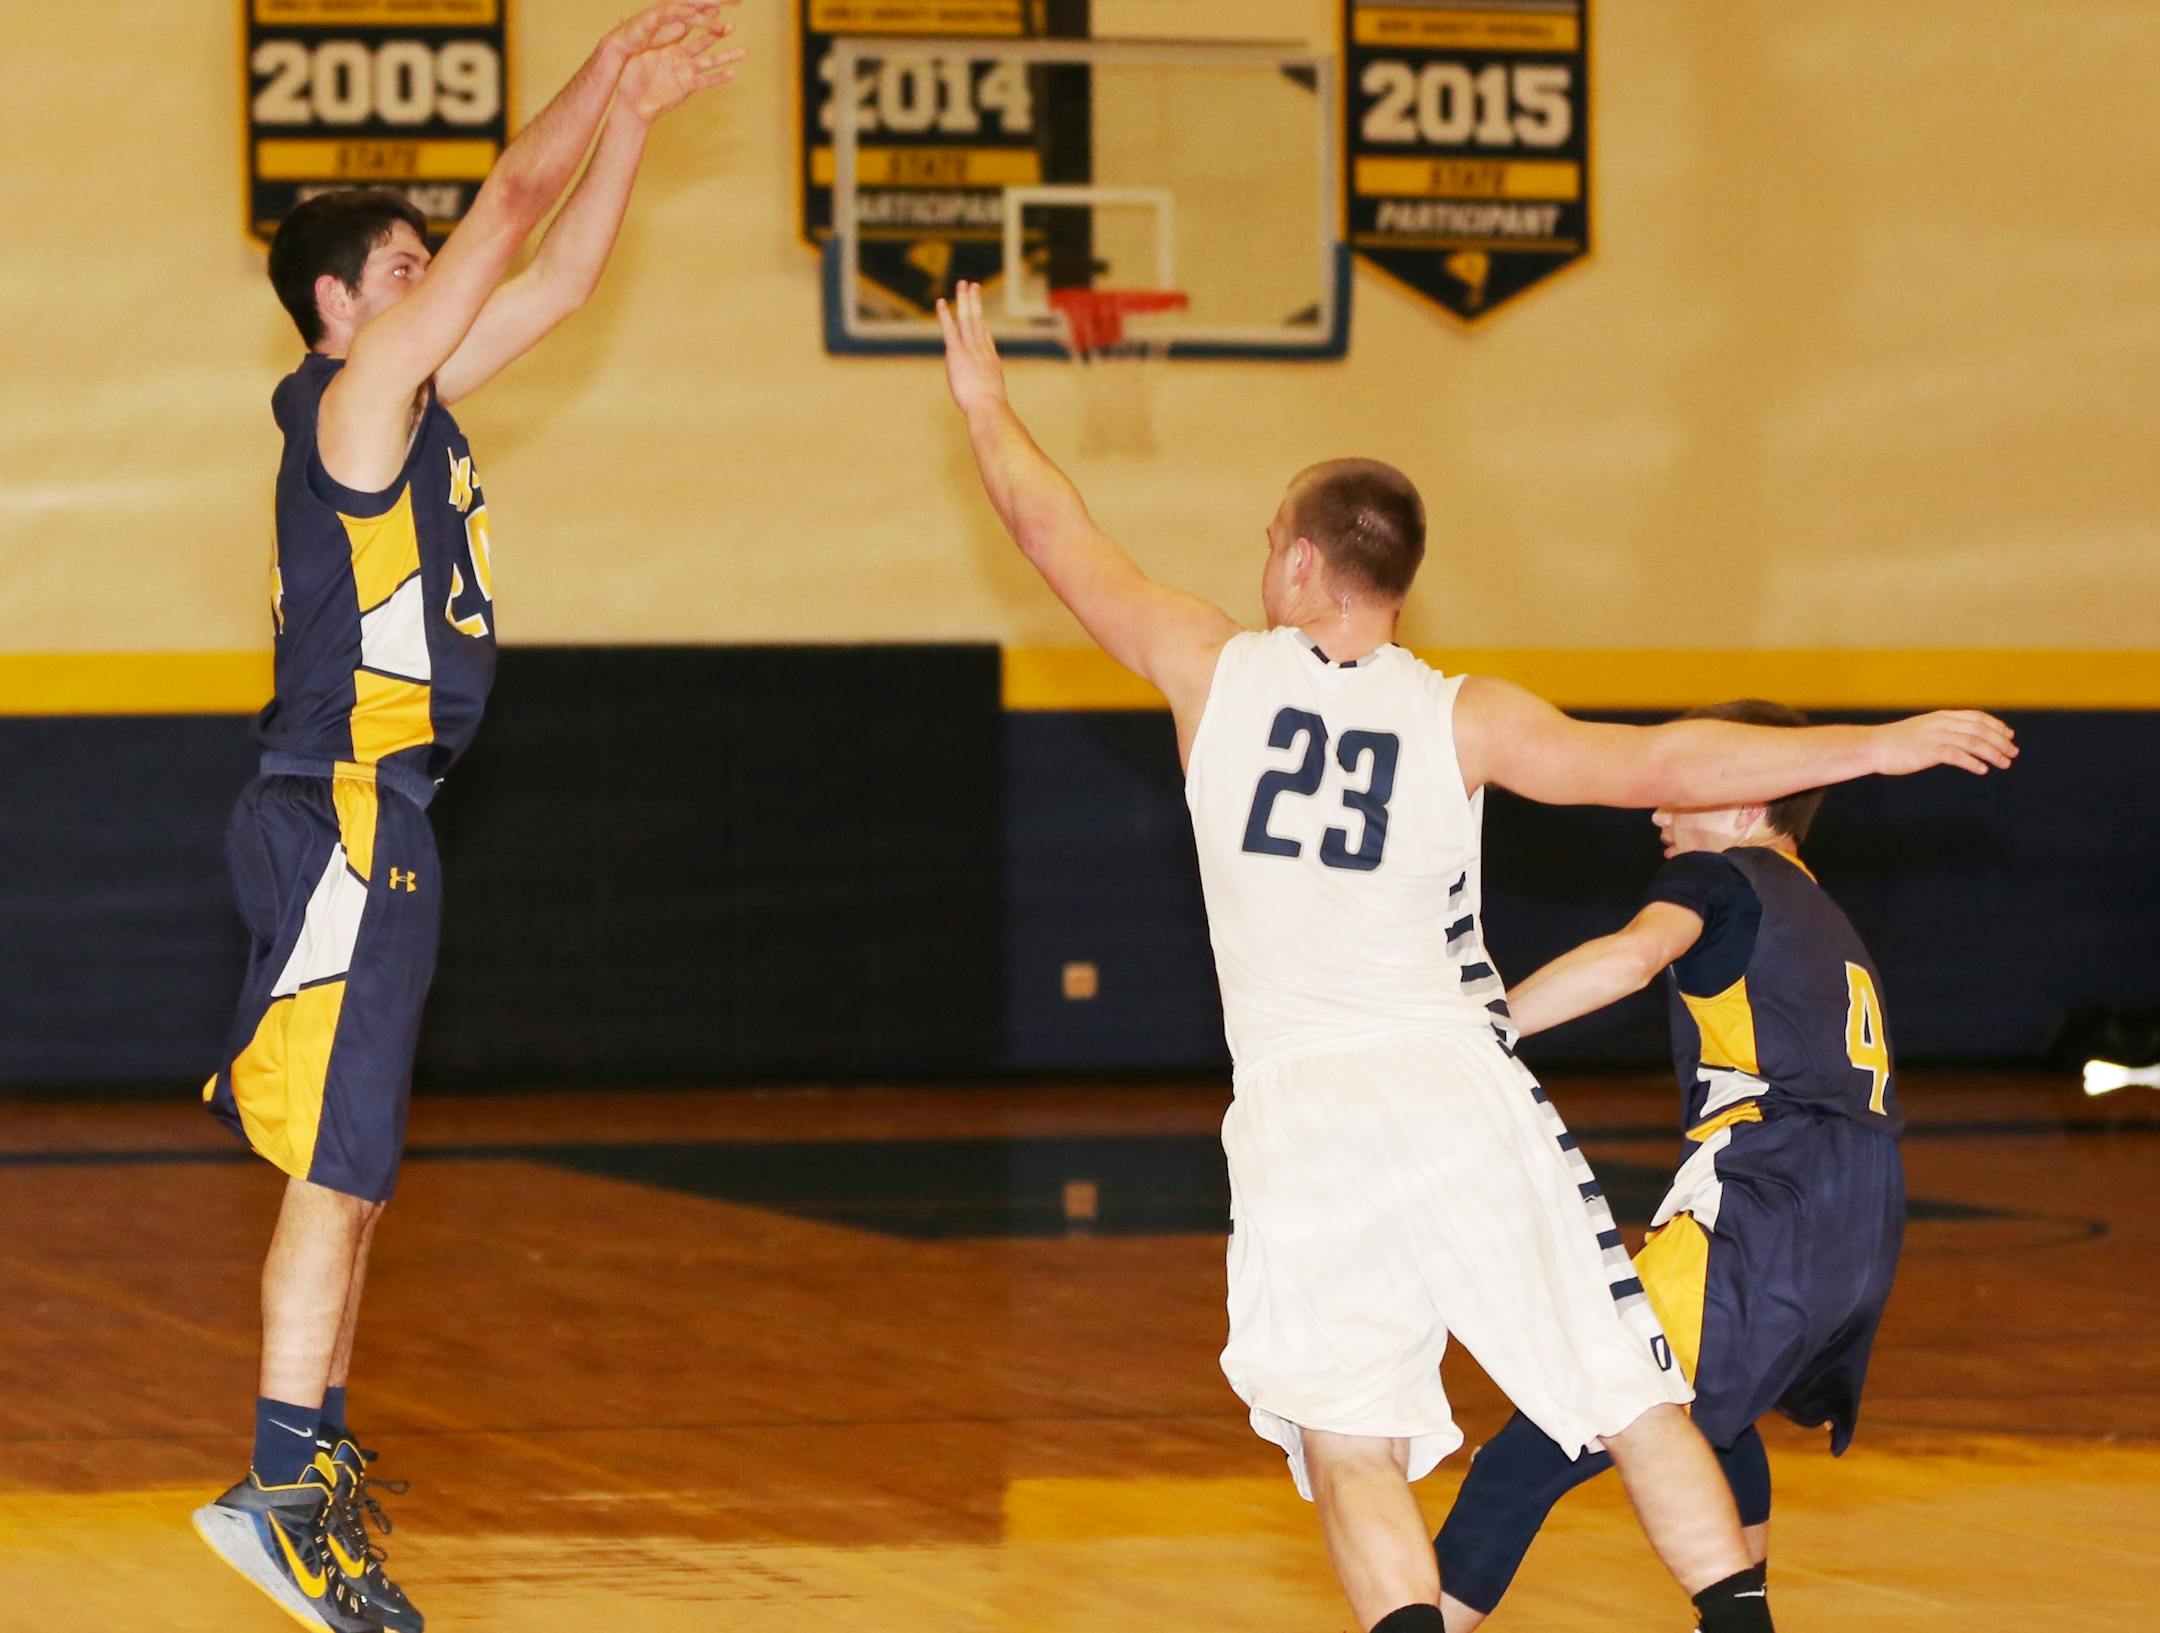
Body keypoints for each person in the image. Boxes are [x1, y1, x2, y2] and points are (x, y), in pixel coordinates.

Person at [934, 281, 2014, 1633]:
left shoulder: (1206, 663)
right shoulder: (1467, 717)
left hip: (1299, 1106)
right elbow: (1663, 765)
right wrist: (1871, 744)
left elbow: (1055, 530)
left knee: (1349, 1442)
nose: (1265, 559)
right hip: (1454, 1078)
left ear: (1304, 568)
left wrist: (986, 405)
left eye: (1275, 538)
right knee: (1626, 1387)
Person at [191, 8, 746, 1629]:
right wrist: (598, 71)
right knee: (336, 1175)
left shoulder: (413, 400)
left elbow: (557, 279)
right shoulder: (352, 409)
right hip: (346, 807)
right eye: (408, 264)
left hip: (390, 811)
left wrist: (636, 121)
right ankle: (280, 1484)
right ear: (340, 304)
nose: (440, 277)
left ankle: (301, 1465)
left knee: (355, 1177)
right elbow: (513, 207)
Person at [1433, 699, 1907, 1629]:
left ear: (1743, 802)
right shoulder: (1818, 906)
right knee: (1709, 1417)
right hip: (1861, 1221)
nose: (1655, 806)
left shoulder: (1719, 876)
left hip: (1773, 1193)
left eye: (1678, 785)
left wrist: (1477, 1032)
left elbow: (1629, 955)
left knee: (1549, 1433)